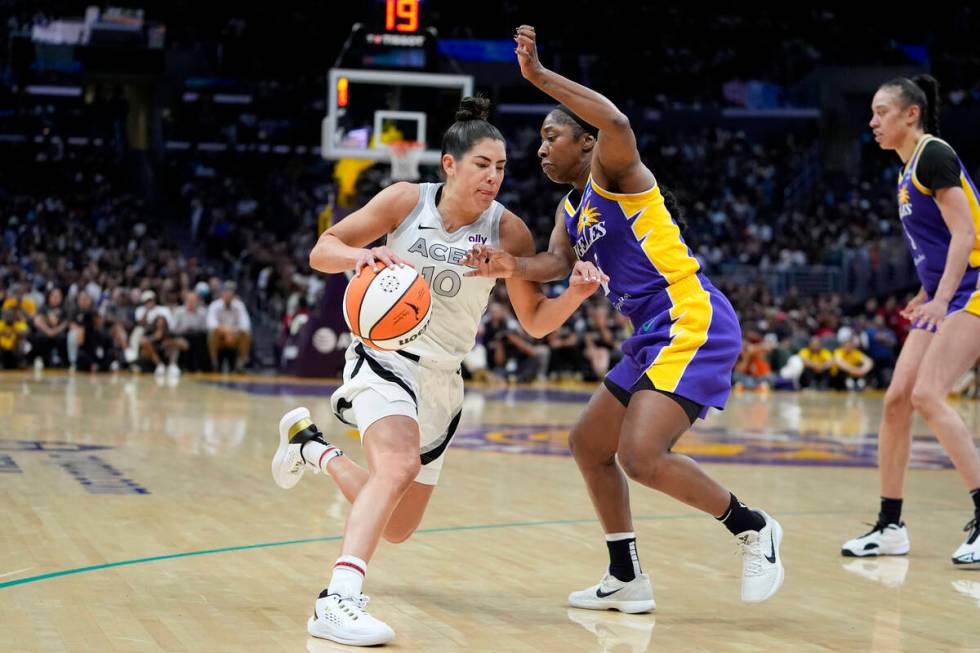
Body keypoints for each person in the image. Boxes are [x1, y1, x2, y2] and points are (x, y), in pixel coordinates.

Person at [462, 25, 784, 610]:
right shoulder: (570, 207)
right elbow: (556, 262)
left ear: (586, 144)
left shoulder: (620, 178)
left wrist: (538, 77)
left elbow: (618, 124)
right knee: (588, 443)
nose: (540, 148)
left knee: (641, 456)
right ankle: (626, 575)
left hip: (691, 314)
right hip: (651, 332)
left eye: (551, 135)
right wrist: (508, 264)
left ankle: (754, 528)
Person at [269, 96, 602, 646]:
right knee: (396, 466)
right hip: (383, 359)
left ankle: (312, 448)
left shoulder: (508, 232)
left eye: (501, 168)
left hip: (443, 382)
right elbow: (321, 250)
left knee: (398, 526)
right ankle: (337, 600)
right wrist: (361, 258)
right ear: (450, 165)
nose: (493, 177)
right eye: (481, 165)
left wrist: (578, 294)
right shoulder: (405, 201)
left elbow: (537, 322)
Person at [841, 75, 980, 567]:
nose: (872, 121)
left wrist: (941, 301)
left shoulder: (933, 154)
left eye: (881, 112)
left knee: (926, 394)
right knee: (897, 400)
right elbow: (940, 249)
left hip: (974, 287)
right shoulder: (906, 172)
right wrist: (926, 293)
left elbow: (966, 235)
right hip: (948, 289)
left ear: (911, 114)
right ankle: (891, 525)